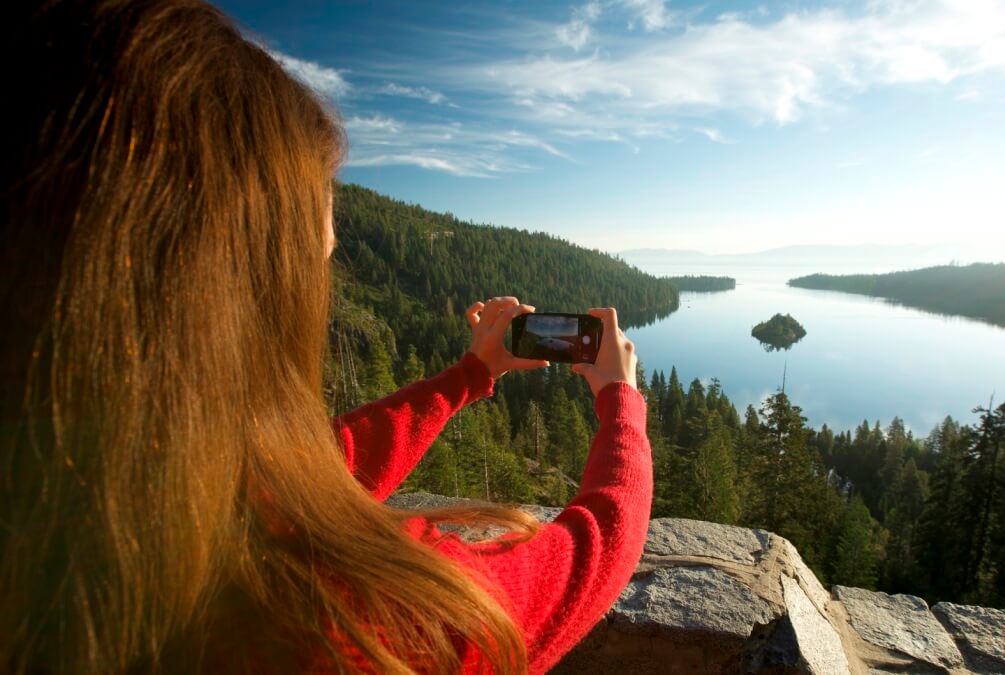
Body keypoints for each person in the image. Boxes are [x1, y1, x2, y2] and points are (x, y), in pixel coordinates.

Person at [0, 1, 652, 673]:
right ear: (225, 289)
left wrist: (469, 375)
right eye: (317, 259)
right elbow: (586, 555)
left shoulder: (85, 507)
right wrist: (619, 404)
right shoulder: (342, 621)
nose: (324, 281)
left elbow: (306, 468)